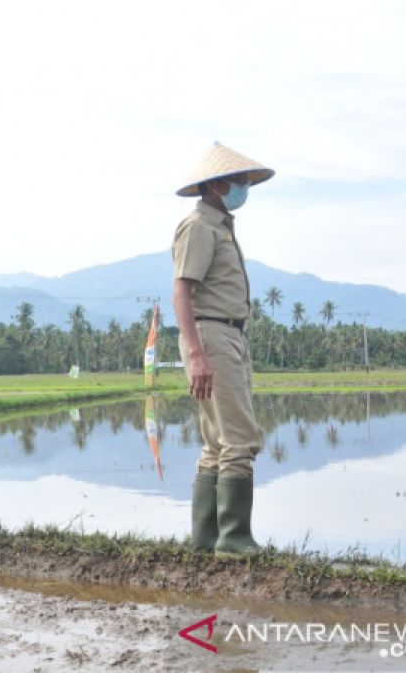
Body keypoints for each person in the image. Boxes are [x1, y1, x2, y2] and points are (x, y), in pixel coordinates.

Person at [171, 143, 274, 556]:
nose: (243, 187)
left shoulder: (220, 226)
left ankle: (207, 539)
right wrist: (196, 354)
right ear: (215, 185)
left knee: (217, 442)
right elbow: (181, 293)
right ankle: (234, 539)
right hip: (211, 335)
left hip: (227, 333)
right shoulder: (199, 227)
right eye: (239, 181)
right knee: (239, 437)